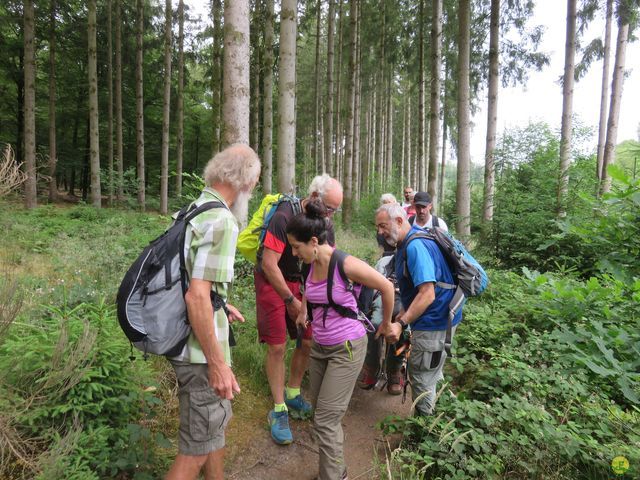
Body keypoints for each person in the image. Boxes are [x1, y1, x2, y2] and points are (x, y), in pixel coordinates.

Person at [165, 144, 261, 480]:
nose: (253, 190)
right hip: (200, 355)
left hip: (187, 341)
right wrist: (218, 364)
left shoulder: (194, 209)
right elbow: (196, 298)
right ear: (245, 181)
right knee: (194, 451)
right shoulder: (221, 220)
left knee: (211, 432)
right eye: (255, 182)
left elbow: (190, 280)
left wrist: (220, 303)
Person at [286, 199, 395, 480]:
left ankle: (335, 476)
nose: (295, 253)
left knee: (325, 419)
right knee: (321, 415)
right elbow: (310, 289)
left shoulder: (345, 264)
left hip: (346, 347)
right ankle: (330, 471)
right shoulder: (310, 264)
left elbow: (385, 286)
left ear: (313, 241)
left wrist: (386, 323)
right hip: (321, 345)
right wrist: (303, 311)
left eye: (297, 247)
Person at [255, 174, 343, 445]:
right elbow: (269, 264)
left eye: (334, 211)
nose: (331, 215)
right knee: (278, 346)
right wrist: (290, 302)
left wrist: (307, 301)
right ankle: (279, 409)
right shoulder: (284, 215)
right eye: (329, 208)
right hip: (272, 280)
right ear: (314, 197)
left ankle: (293, 392)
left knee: (307, 340)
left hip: (302, 283)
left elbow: (325, 264)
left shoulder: (325, 225)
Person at [375, 203, 462, 416]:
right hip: (445, 317)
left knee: (421, 377)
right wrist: (404, 310)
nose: (380, 232)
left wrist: (401, 323)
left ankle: (424, 434)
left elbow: (427, 293)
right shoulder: (415, 238)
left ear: (399, 221)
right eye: (377, 227)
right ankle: (444, 417)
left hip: (433, 323)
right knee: (432, 373)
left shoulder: (414, 247)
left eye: (383, 226)